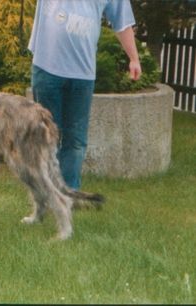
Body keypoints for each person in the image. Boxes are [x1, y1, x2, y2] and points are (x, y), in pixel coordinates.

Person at [28, 0, 142, 190]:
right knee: (47, 138)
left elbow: (122, 22)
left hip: (83, 75)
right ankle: (46, 195)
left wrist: (134, 59)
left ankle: (69, 195)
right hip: (47, 69)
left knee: (76, 142)